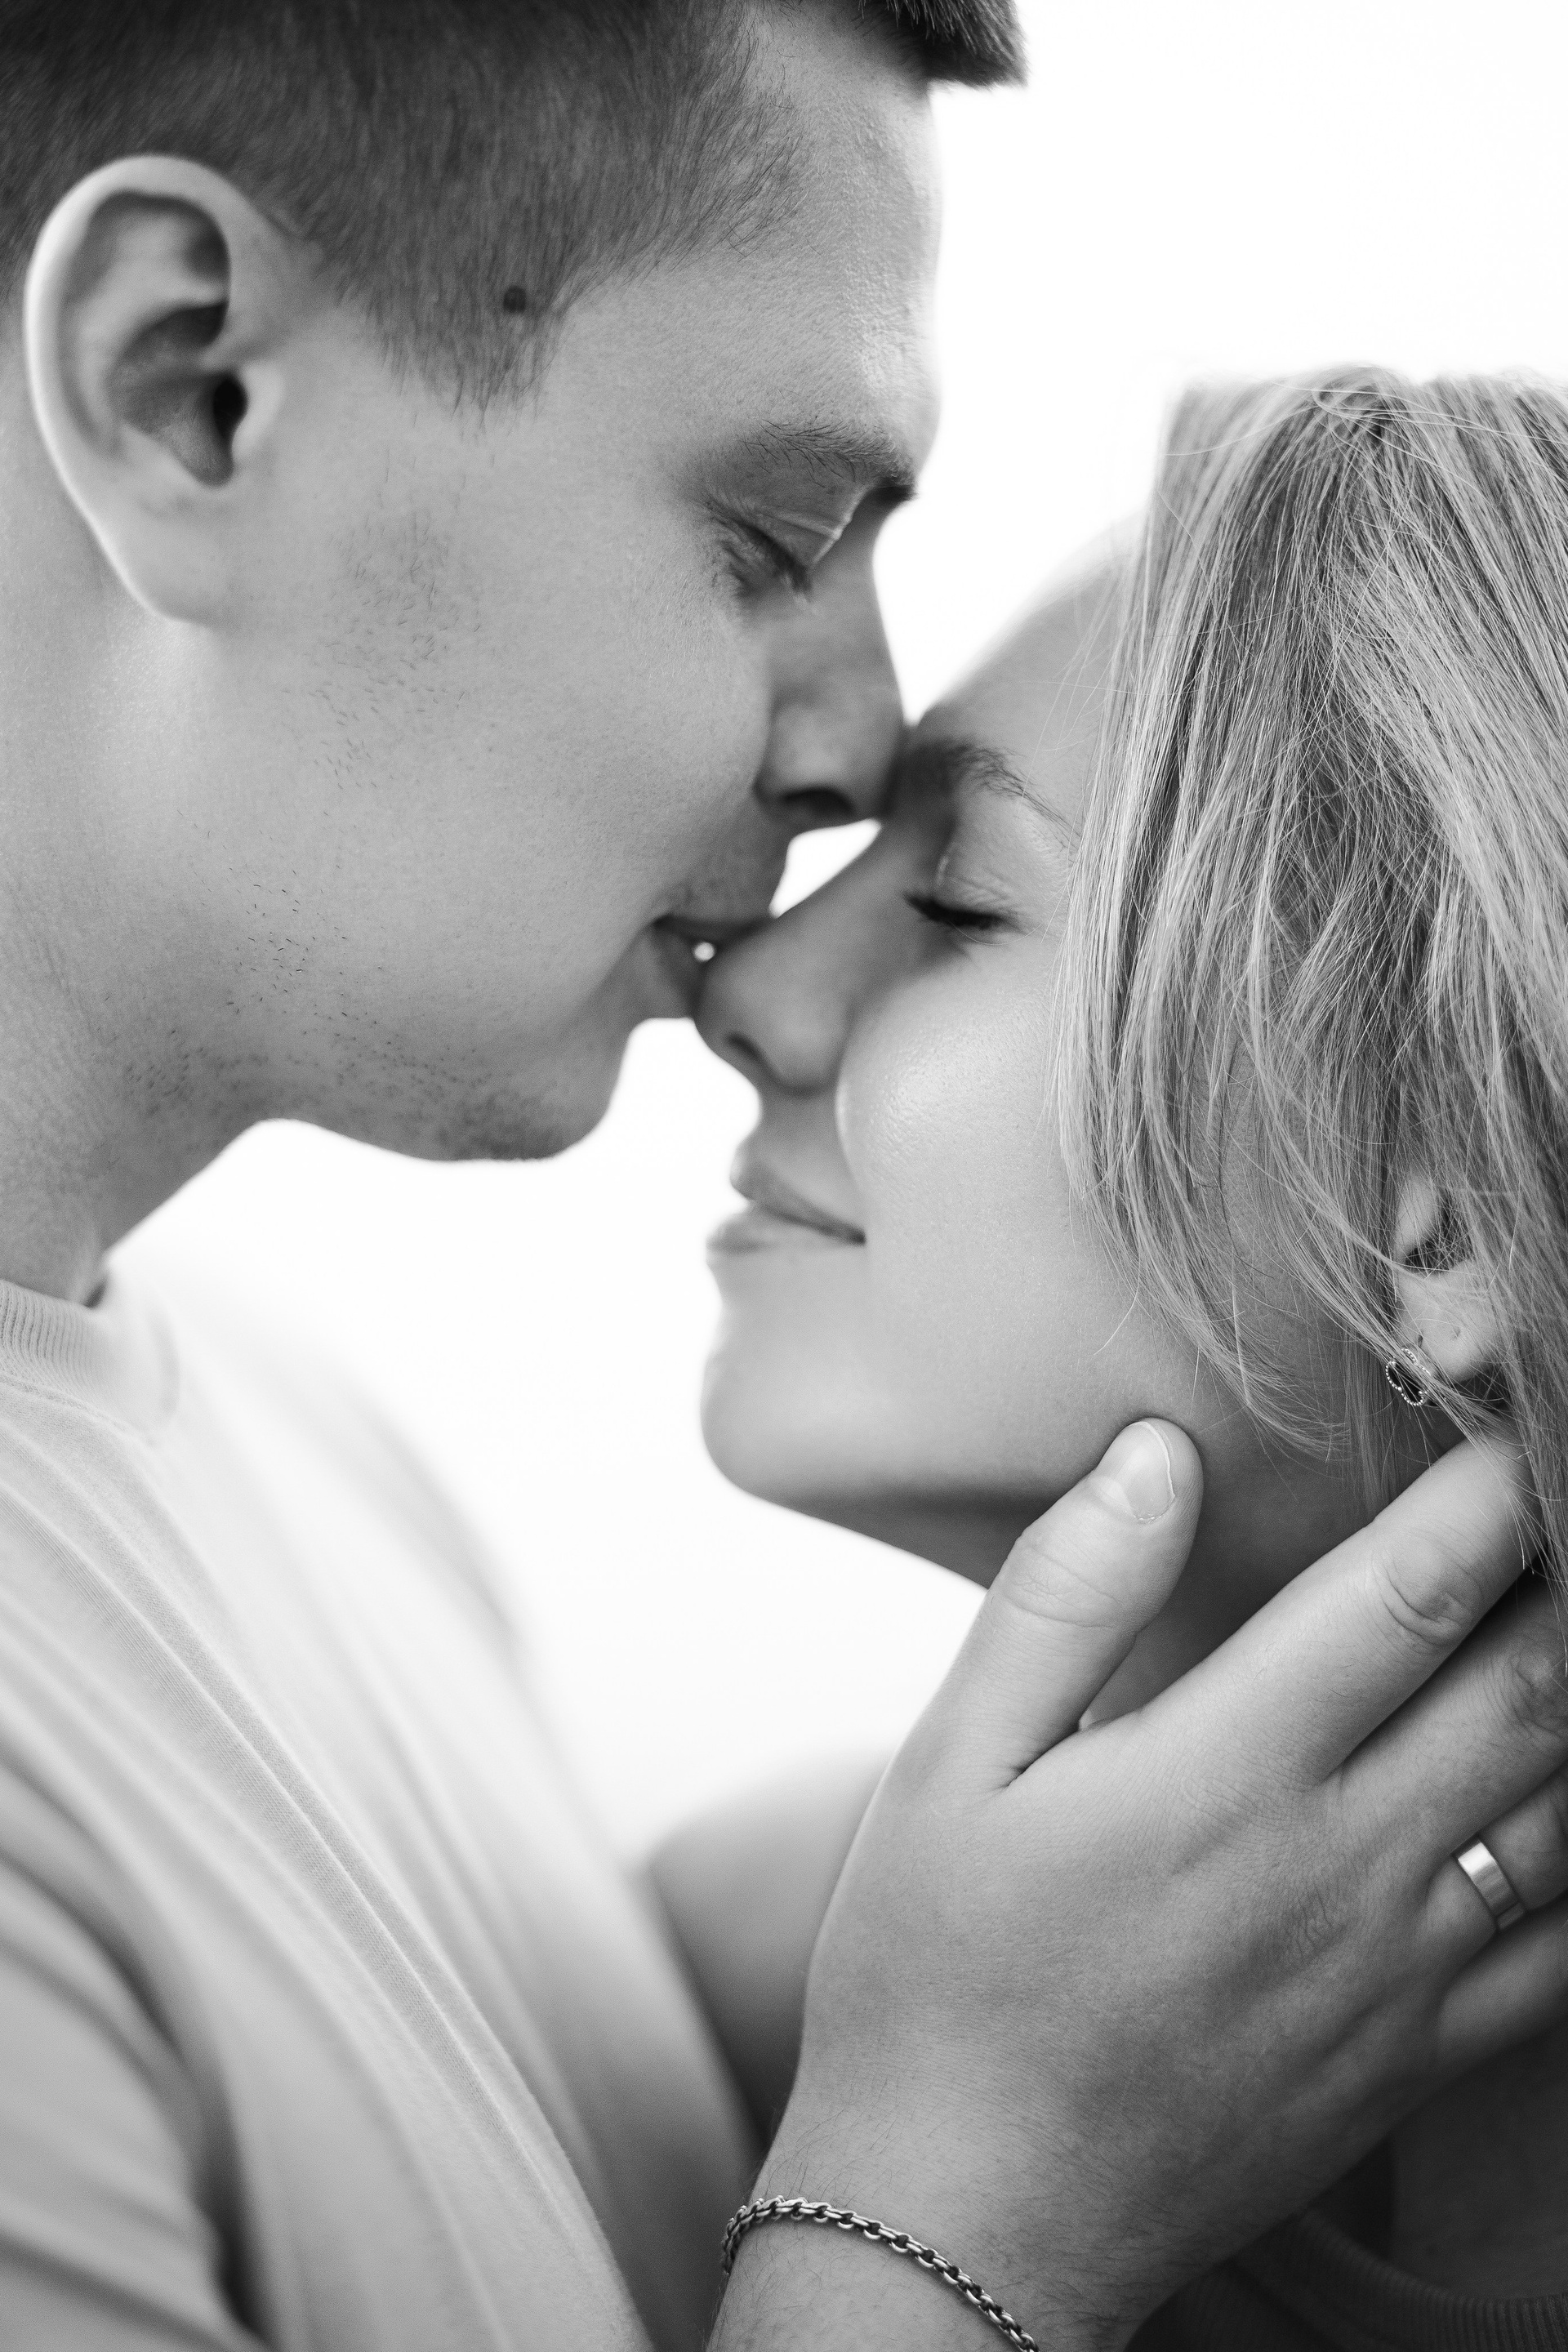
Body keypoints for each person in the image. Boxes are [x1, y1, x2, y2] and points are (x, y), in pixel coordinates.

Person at [0, 0, 1565, 2341]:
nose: (844, 749)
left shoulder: (313, 1470)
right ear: (186, 385)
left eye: (964, 901)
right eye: (767, 539)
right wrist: (962, 2205)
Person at [696, 365, 1568, 2345]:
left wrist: (937, 2200)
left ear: (1447, 1217)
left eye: (955, 901)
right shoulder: (789, 1969)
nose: (749, 988)